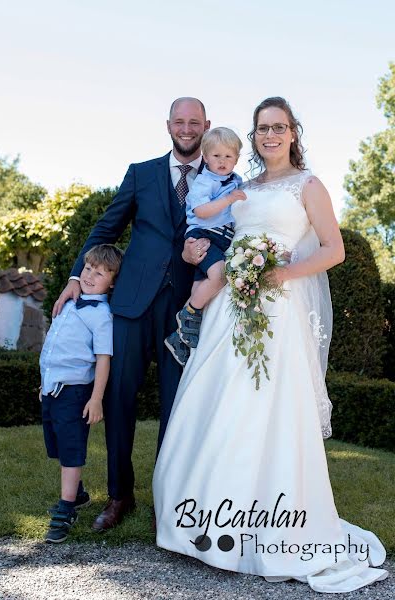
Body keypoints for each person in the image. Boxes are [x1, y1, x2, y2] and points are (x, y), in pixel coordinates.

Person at [153, 97, 388, 593]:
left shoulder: (309, 185)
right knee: (216, 401)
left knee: (267, 408)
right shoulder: (243, 186)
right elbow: (214, 230)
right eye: (262, 128)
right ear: (254, 136)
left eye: (279, 127)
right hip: (230, 309)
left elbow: (334, 249)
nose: (270, 135)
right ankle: (202, 521)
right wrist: (195, 247)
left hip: (278, 313)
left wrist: (277, 273)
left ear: (293, 133)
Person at [52, 98, 211, 532]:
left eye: (194, 122)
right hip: (130, 306)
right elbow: (107, 227)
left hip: (186, 309)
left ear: (206, 126)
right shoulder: (140, 173)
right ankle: (120, 495)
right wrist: (72, 275)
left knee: (177, 405)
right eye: (179, 121)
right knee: (118, 400)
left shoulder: (221, 179)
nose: (186, 128)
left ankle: (170, 496)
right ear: (168, 125)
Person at [40, 244, 123, 543]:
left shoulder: (101, 315)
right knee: (59, 446)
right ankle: (79, 494)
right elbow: (54, 348)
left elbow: (103, 358)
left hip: (75, 392)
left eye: (99, 273)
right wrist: (45, 383)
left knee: (72, 452)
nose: (90, 275)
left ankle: (65, 510)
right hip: (52, 388)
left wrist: (96, 397)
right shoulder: (70, 301)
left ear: (111, 282)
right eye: (88, 268)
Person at [165, 127, 245, 366]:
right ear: (206, 157)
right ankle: (188, 313)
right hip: (205, 234)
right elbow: (201, 211)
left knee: (203, 287)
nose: (222, 161)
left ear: (237, 159)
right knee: (219, 275)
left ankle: (179, 339)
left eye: (228, 156)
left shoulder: (236, 180)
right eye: (217, 156)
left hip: (223, 238)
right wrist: (229, 199)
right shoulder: (205, 181)